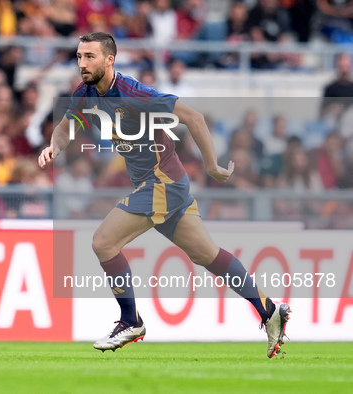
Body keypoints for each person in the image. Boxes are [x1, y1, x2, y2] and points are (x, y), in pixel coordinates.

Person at [37, 32, 291, 358]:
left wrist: (211, 164)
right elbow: (67, 126)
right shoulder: (85, 93)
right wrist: (53, 147)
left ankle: (131, 321)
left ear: (109, 60)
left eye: (90, 57)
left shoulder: (135, 93)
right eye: (79, 56)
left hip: (162, 183)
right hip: (166, 184)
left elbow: (194, 118)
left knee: (103, 242)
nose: (82, 63)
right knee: (208, 255)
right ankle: (269, 310)